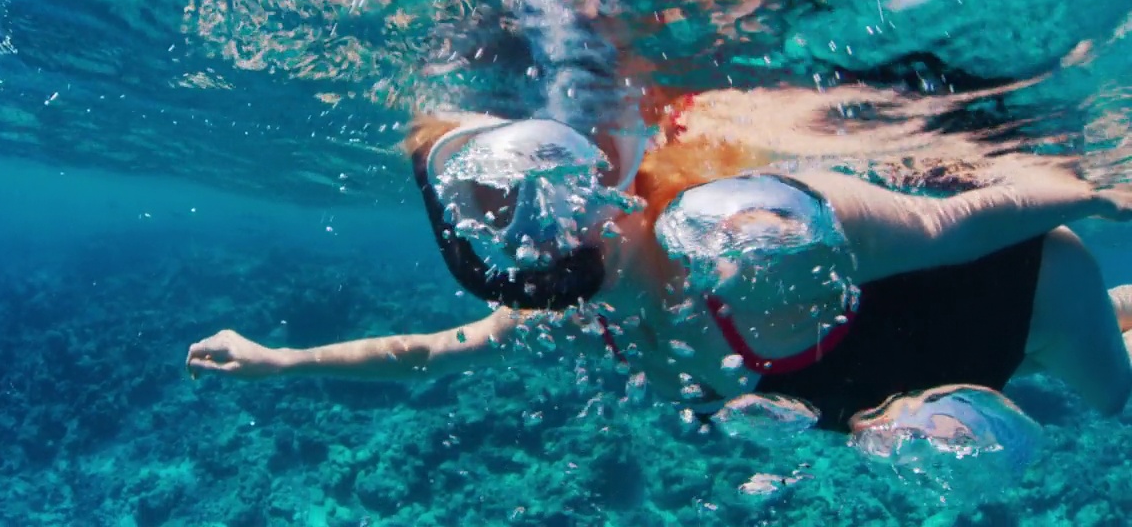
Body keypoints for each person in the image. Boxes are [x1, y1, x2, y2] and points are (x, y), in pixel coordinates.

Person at [187, 94, 1132, 432]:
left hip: (1028, 295)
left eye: (532, 180)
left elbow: (959, 221)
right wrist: (280, 362)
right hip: (904, 378)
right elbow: (437, 352)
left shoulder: (761, 234)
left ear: (590, 170)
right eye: (489, 214)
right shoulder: (576, 311)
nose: (531, 226)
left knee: (1111, 395)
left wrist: (1103, 188)